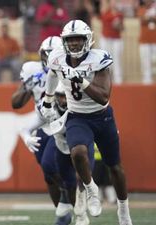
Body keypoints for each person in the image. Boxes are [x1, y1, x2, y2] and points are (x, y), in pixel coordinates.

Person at [40, 19, 133, 225]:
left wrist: (79, 78)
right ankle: (91, 189)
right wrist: (47, 99)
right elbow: (53, 74)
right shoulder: (56, 57)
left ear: (88, 40)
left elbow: (103, 97)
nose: (74, 44)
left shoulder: (99, 58)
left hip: (102, 117)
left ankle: (123, 211)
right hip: (77, 116)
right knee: (78, 153)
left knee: (115, 167)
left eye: (78, 39)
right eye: (70, 40)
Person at [11, 36, 76, 225]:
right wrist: (27, 86)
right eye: (46, 55)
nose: (49, 59)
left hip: (63, 124)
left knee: (50, 164)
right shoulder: (33, 70)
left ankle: (70, 196)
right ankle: (63, 212)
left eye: (53, 55)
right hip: (42, 124)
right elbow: (15, 103)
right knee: (48, 175)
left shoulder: (68, 69)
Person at [99, 0, 124, 84]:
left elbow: (122, 28)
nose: (114, 3)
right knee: (106, 60)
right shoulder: (105, 12)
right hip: (106, 38)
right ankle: (107, 80)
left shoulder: (120, 14)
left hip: (116, 39)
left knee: (116, 59)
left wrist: (118, 25)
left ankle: (118, 80)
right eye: (112, 2)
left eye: (115, 2)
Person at [137, 0, 156, 84]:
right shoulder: (141, 9)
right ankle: (147, 83)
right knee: (146, 63)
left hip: (154, 41)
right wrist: (151, 17)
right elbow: (142, 19)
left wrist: (148, 17)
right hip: (144, 41)